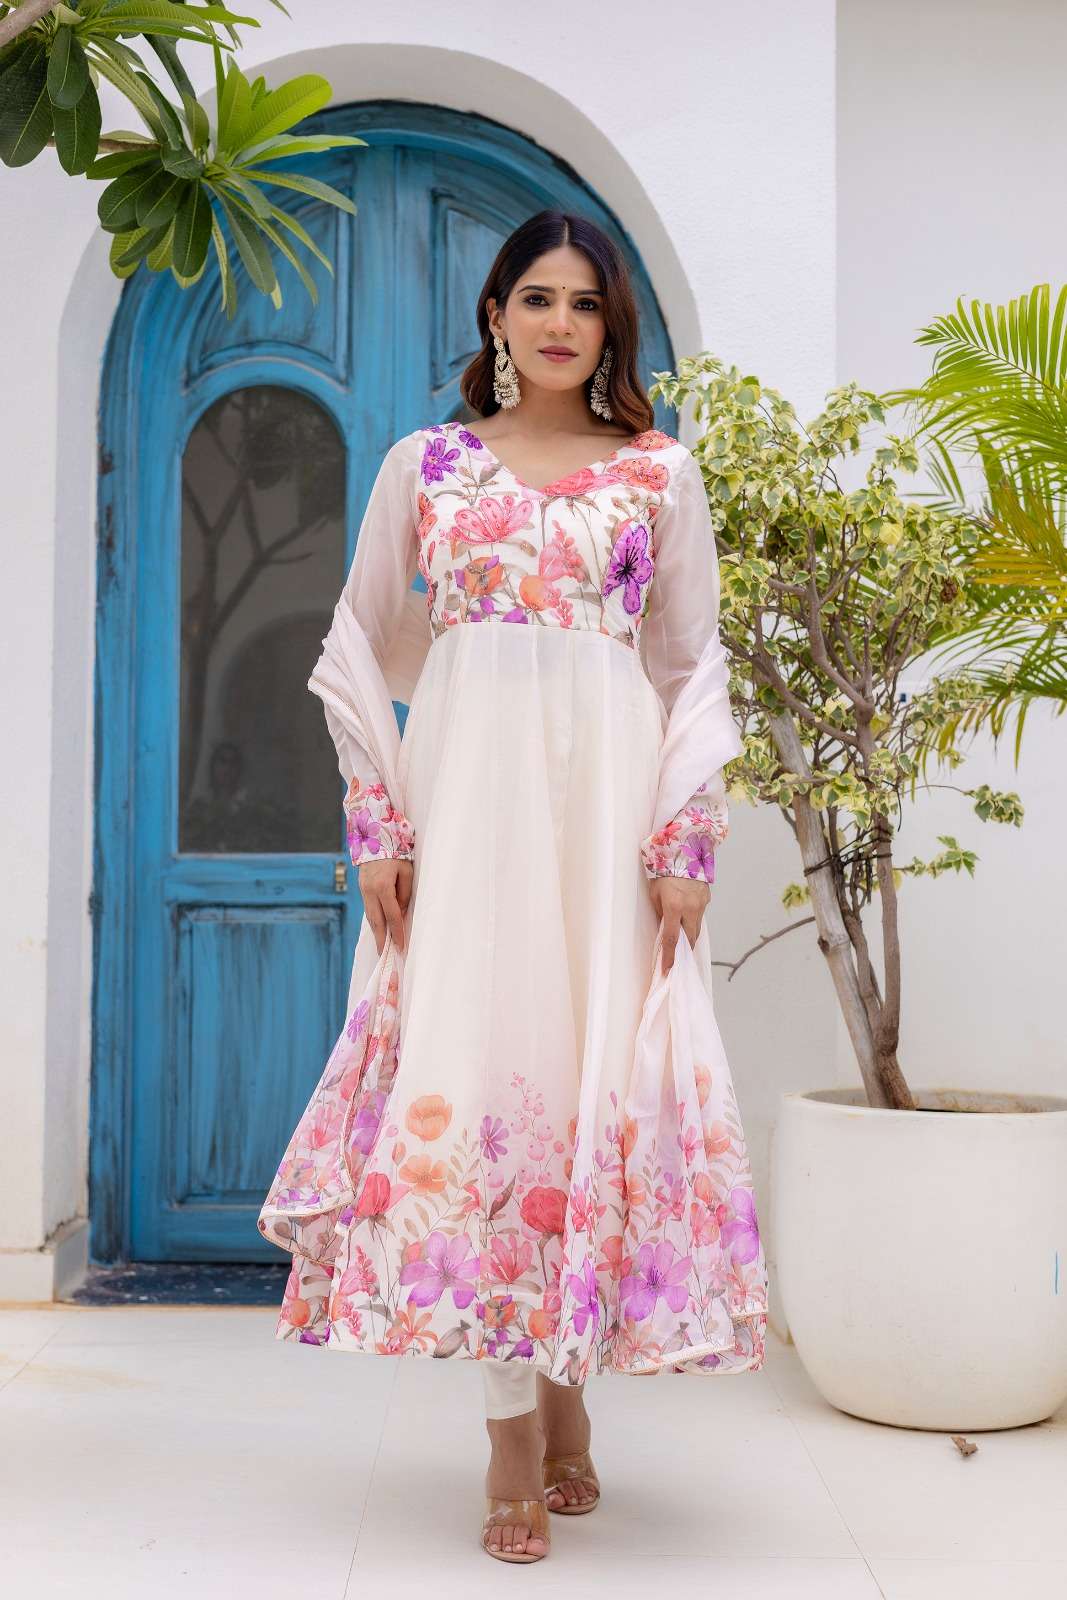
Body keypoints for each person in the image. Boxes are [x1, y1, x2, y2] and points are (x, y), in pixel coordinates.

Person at [259, 209, 768, 1565]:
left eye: (585, 303)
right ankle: (508, 1437)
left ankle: (570, 1381)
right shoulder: (426, 466)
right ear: (496, 313)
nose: (559, 323)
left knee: (588, 1078)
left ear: (612, 328)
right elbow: (359, 644)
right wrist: (379, 821)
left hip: (605, 821)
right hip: (468, 813)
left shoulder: (657, 473)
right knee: (481, 1084)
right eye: (537, 297)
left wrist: (685, 841)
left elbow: (691, 664)